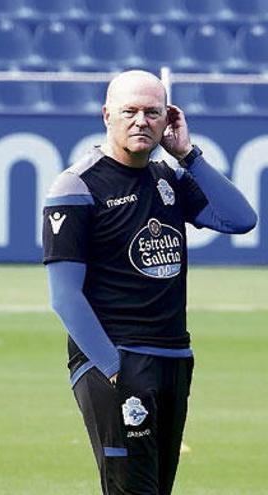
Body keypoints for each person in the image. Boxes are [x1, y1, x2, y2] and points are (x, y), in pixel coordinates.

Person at [43, 70, 257, 494]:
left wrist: (189, 155)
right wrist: (113, 368)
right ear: (107, 115)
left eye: (152, 112)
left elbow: (241, 219)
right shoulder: (77, 186)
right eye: (129, 111)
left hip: (174, 356)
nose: (141, 121)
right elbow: (64, 296)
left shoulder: (169, 178)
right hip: (117, 358)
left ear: (167, 119)